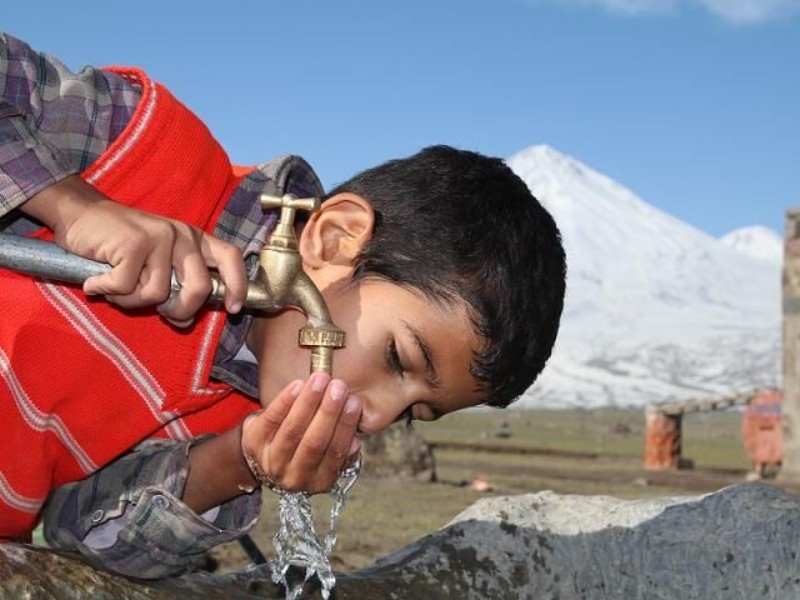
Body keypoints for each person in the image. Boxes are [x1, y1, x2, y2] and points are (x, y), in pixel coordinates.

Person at [0, 32, 566, 578]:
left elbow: (82, 536)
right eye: (398, 357)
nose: (374, 418)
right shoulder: (140, 151)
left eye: (410, 413)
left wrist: (237, 460)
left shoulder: (236, 415)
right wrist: (71, 204)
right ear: (336, 238)